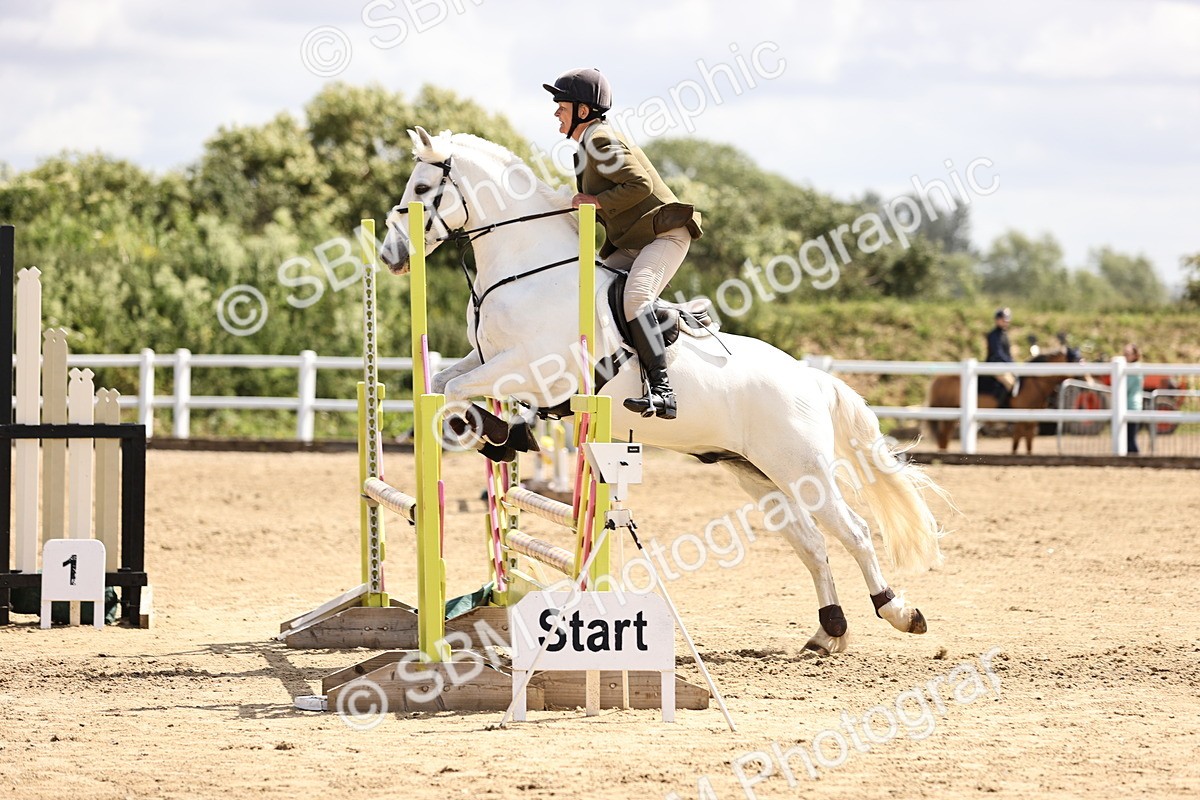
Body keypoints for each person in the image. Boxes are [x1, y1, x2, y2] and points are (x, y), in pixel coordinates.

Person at [544, 67, 703, 420]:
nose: (556, 112)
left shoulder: (600, 139)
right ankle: (581, 385)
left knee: (636, 298)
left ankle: (662, 391)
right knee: (589, 294)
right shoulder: (585, 148)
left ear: (582, 111)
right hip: (633, 242)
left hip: (664, 235)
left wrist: (595, 202)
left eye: (562, 106)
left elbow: (639, 184)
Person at [982, 307, 1015, 406]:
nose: (1006, 321)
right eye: (1003, 319)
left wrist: (1013, 363)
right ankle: (1003, 405)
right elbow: (998, 353)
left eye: (1007, 319)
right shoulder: (993, 335)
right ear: (997, 320)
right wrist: (1010, 363)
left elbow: (1007, 353)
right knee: (1010, 383)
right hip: (995, 365)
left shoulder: (1004, 334)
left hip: (1004, 365)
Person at [1124, 343, 1143, 455]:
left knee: (1130, 439)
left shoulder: (1134, 369)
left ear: (1135, 355)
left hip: (1131, 406)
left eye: (1127, 354)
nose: (1125, 356)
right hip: (1131, 406)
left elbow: (1125, 387)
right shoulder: (1132, 368)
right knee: (1129, 439)